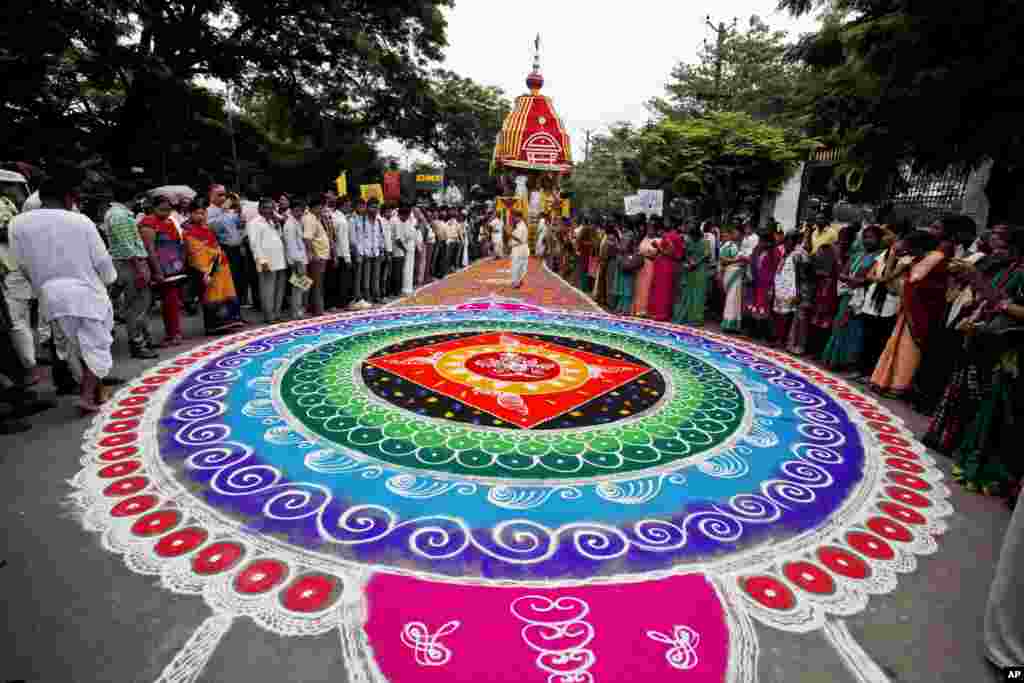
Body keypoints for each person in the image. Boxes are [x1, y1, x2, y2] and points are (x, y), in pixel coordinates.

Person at [10, 167, 118, 414]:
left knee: (72, 347)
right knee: (96, 346)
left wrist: (41, 289)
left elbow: (21, 263)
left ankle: (94, 390)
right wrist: (109, 281)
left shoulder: (17, 223)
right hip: (86, 292)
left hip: (50, 296)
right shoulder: (79, 221)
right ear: (70, 198)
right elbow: (102, 263)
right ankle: (87, 395)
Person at [924, 226, 1023, 492]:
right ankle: (949, 442)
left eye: (1002, 246)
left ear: (1016, 249)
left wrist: (979, 282)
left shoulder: (1019, 274)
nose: (995, 250)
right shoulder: (1000, 269)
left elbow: (1004, 304)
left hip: (1004, 350)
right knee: (963, 392)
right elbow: (986, 299)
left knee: (988, 407)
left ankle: (983, 467)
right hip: (979, 337)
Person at [869, 228, 952, 397]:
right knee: (896, 345)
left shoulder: (937, 260)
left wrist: (906, 284)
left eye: (910, 248)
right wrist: (895, 262)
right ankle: (885, 381)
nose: (908, 252)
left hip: (921, 313)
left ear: (920, 247)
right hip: (908, 310)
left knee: (909, 350)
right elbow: (890, 282)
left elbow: (934, 289)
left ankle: (900, 386)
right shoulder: (914, 260)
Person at [822, 225, 883, 371]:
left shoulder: (879, 256)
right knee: (839, 324)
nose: (867, 241)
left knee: (854, 329)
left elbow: (867, 279)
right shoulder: (857, 254)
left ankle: (848, 363)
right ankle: (833, 360)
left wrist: (855, 280)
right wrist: (853, 279)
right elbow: (843, 273)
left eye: (871, 238)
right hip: (848, 295)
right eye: (865, 237)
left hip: (862, 299)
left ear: (879, 239)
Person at [104, 196, 157, 359]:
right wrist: (140, 268)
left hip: (125, 264)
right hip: (130, 264)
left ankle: (142, 341)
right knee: (136, 307)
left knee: (135, 305)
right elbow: (128, 246)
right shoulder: (120, 215)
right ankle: (138, 344)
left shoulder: (115, 213)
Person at [182, 197, 244, 334]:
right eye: (197, 213)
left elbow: (214, 243)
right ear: (190, 213)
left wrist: (218, 253)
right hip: (207, 268)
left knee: (225, 291)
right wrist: (210, 262)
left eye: (203, 213)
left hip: (220, 264)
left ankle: (229, 322)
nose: (201, 216)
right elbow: (196, 251)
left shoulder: (206, 227)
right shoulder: (188, 231)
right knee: (212, 295)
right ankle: (214, 326)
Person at [139, 196, 186, 347]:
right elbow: (150, 249)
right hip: (158, 267)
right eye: (162, 209)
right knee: (160, 301)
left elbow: (177, 243)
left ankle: (174, 333)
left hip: (173, 266)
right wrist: (158, 271)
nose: (166, 213)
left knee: (172, 300)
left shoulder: (170, 221)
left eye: (168, 210)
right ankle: (166, 335)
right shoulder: (148, 223)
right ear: (153, 208)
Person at [248, 198, 288, 324]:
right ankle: (269, 316)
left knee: (279, 289)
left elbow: (279, 238)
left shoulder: (272, 221)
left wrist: (277, 224)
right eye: (266, 207)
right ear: (260, 209)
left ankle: (277, 314)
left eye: (272, 208)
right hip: (267, 261)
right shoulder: (254, 223)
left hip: (280, 260)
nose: (269, 210)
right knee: (267, 290)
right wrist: (262, 261)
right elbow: (254, 244)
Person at [746, 224, 783, 340]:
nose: (760, 242)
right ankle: (754, 332)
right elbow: (752, 261)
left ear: (768, 241)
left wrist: (772, 286)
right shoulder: (757, 249)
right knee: (754, 307)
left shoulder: (775, 252)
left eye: (762, 240)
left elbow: (776, 270)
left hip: (767, 284)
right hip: (756, 282)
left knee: (765, 309)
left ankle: (769, 335)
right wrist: (750, 275)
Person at [674, 221, 710, 325]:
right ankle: (686, 315)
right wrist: (689, 262)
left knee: (698, 293)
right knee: (687, 292)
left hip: (700, 269)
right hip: (689, 268)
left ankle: (696, 318)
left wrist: (696, 262)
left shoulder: (705, 241)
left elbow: (707, 255)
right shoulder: (688, 239)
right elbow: (684, 253)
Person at [771, 229, 803, 344]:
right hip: (780, 287)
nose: (786, 243)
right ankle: (777, 336)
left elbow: (799, 275)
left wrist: (797, 291)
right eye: (786, 240)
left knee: (786, 315)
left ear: (794, 241)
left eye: (789, 240)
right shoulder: (785, 253)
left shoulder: (797, 255)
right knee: (777, 314)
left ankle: (782, 339)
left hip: (790, 289)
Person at [302, 195, 331, 316]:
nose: (322, 210)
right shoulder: (310, 219)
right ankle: (318, 310)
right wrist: (313, 254)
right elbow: (307, 238)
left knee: (314, 284)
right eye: (321, 207)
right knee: (316, 284)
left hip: (320, 255)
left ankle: (313, 308)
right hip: (316, 256)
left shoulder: (315, 218)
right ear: (315, 207)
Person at [282, 197, 309, 320]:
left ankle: (299, 309)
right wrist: (296, 262)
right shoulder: (289, 225)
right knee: (297, 287)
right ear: (292, 210)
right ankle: (296, 311)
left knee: (301, 286)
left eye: (301, 210)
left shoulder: (297, 222)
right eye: (297, 210)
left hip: (301, 258)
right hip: (296, 260)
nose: (300, 213)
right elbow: (290, 245)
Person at [719, 227, 745, 333]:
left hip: (737, 273)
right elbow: (722, 260)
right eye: (734, 233)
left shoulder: (739, 245)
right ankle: (728, 323)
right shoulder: (727, 245)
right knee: (731, 298)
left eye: (737, 233)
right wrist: (737, 260)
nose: (736, 235)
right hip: (731, 273)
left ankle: (734, 324)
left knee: (736, 299)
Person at [632, 222, 659, 317]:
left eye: (651, 229)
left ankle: (645, 310)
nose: (649, 231)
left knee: (647, 287)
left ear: (655, 230)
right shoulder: (644, 238)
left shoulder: (658, 240)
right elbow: (639, 249)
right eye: (648, 229)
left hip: (650, 265)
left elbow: (656, 253)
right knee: (639, 286)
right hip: (641, 265)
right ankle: (638, 308)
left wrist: (647, 253)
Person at [508, 207, 530, 288]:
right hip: (522, 248)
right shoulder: (520, 225)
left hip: (519, 248)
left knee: (516, 265)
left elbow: (519, 239)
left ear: (519, 217)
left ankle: (516, 282)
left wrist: (510, 234)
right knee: (521, 265)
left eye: (515, 217)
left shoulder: (521, 226)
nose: (514, 218)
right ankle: (519, 280)